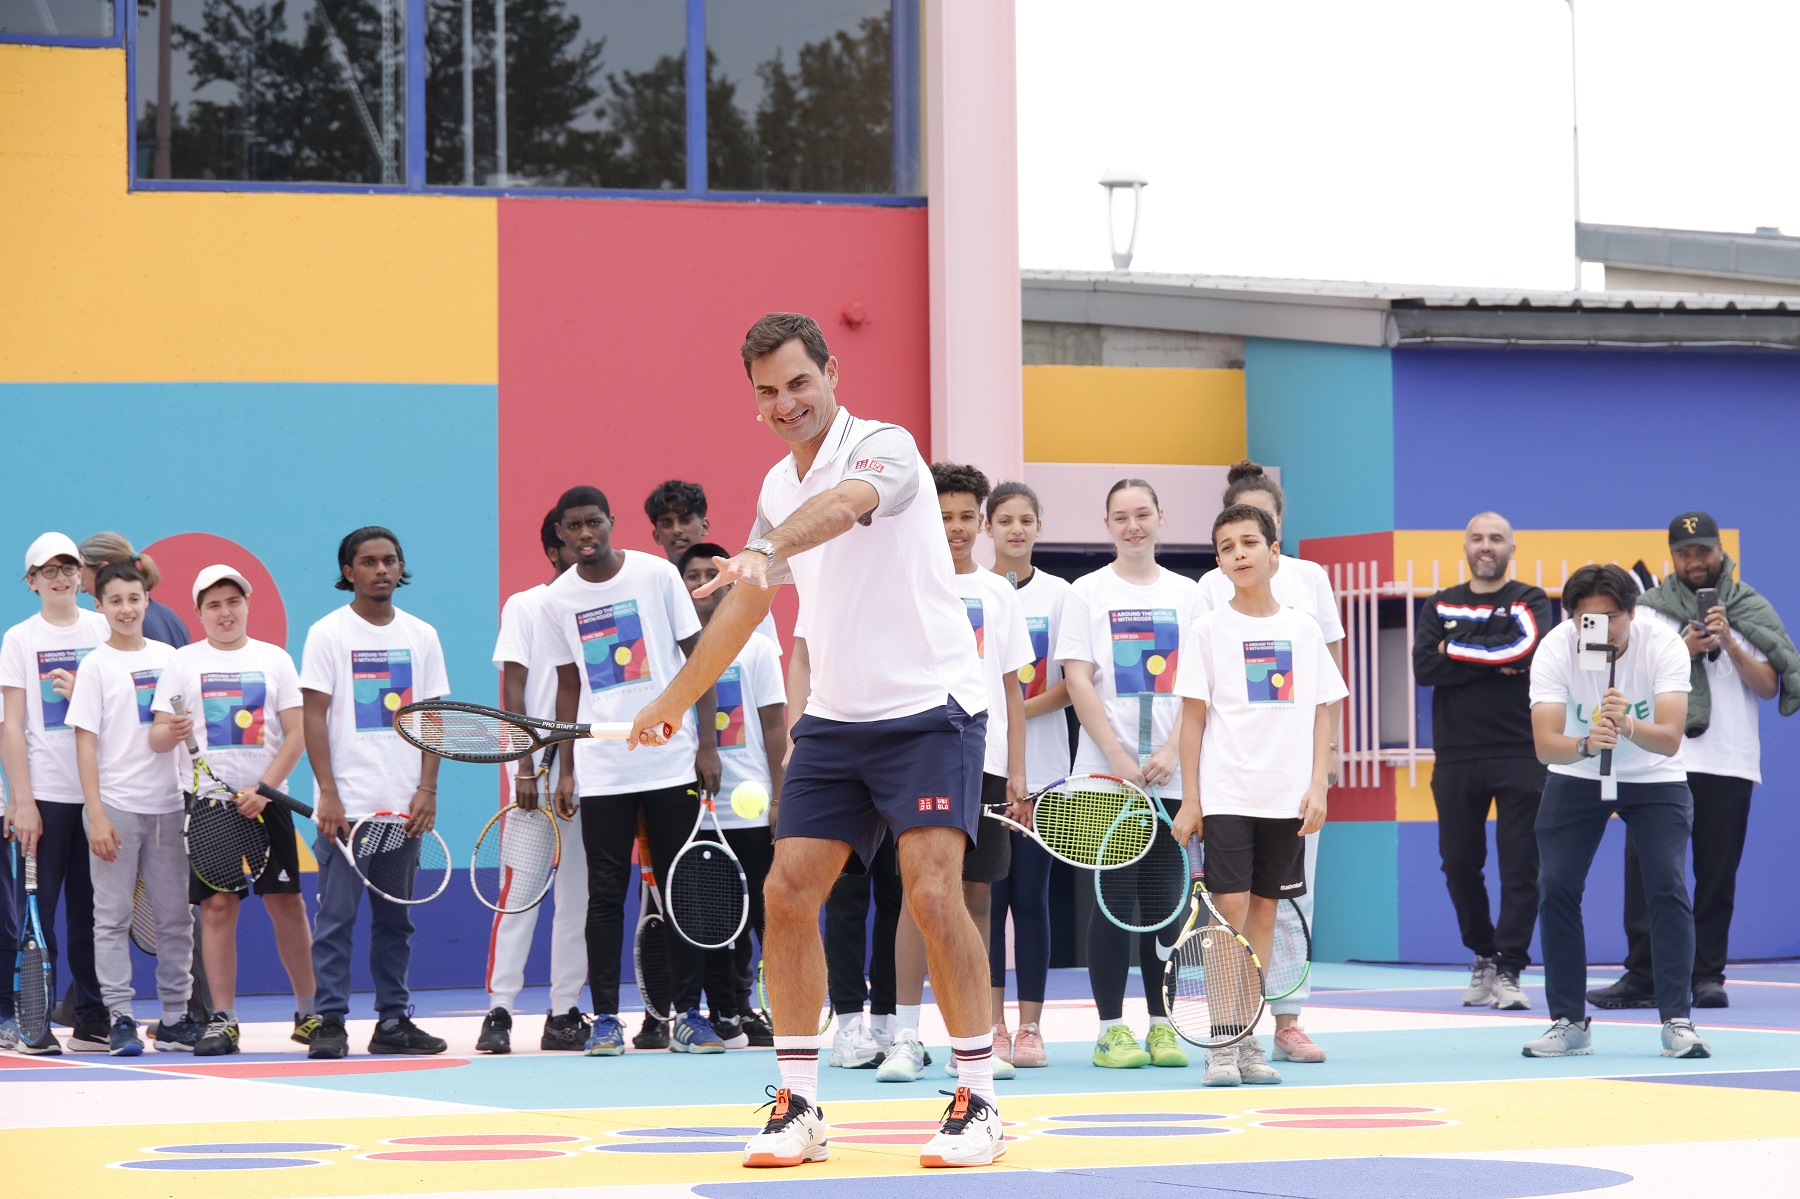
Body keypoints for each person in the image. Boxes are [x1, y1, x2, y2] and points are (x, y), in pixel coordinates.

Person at [626, 312, 1003, 1169]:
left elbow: (841, 508)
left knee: (932, 892)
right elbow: (745, 607)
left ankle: (978, 1098)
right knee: (788, 891)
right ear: (754, 400)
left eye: (799, 382)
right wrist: (674, 698)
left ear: (831, 372)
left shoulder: (885, 448)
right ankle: (797, 1105)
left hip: (931, 707)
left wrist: (766, 544)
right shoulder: (774, 484)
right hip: (835, 716)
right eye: (768, 391)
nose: (786, 402)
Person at [540, 486, 724, 1056]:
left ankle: (688, 1016)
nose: (585, 534)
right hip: (603, 772)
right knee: (604, 895)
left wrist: (708, 746)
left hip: (671, 763)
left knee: (680, 889)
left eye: (594, 522)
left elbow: (701, 661)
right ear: (561, 534)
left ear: (611, 522)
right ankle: (604, 1020)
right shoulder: (557, 600)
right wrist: (566, 769)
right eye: (574, 526)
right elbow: (569, 687)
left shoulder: (656, 575)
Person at [1592, 512, 1799, 1011]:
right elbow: (1628, 682)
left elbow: (1769, 686)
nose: (1695, 561)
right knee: (1647, 871)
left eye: (1703, 551)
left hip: (1729, 761)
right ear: (1672, 557)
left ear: (1720, 550)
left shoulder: (1749, 607)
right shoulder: (1649, 612)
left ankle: (1707, 976)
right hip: (1659, 758)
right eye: (1684, 553)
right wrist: (1682, 650)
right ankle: (1643, 975)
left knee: (1715, 875)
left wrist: (1729, 642)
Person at [1174, 504, 1344, 1087]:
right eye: (1227, 547)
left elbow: (1321, 713)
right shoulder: (1207, 629)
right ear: (1218, 563)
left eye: (1249, 542)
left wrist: (1317, 785)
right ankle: (1221, 1043)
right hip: (1227, 794)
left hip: (1286, 799)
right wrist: (1191, 799)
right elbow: (1193, 720)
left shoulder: (1303, 629)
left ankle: (1247, 1038)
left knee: (1266, 914)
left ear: (1274, 553)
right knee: (1230, 912)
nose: (1239, 554)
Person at [875, 464, 1027, 1086]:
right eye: (943, 517)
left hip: (985, 762)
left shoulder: (1000, 594)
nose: (956, 528)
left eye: (966, 516)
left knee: (978, 897)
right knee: (921, 894)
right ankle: (905, 1037)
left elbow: (1012, 690)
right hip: (920, 761)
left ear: (982, 523)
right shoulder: (903, 586)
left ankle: (980, 1037)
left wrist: (1017, 771)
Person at [1522, 564, 1710, 1060]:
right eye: (1586, 619)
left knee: (1667, 885)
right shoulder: (1555, 648)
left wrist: (1626, 725)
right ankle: (1569, 1021)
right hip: (1578, 774)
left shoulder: (1663, 645)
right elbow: (1545, 744)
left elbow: (1669, 739)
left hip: (1654, 776)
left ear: (1632, 612)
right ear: (1571, 619)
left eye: (1611, 618)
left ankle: (1677, 1020)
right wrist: (1586, 743)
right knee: (1556, 885)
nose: (1600, 630)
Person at [1057, 479, 1203, 1073]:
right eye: (1121, 516)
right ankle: (1110, 1031)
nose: (1133, 525)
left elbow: (1200, 687)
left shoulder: (1190, 595)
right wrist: (1116, 757)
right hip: (1104, 776)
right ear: (1107, 525)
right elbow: (1077, 678)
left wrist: (1171, 750)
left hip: (1171, 776)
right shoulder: (1086, 593)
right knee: (1113, 901)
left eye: (1142, 514)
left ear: (1161, 517)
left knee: (1165, 905)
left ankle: (1162, 1026)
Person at [300, 527, 451, 1060]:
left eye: (390, 560)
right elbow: (313, 717)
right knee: (335, 920)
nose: (381, 569)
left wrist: (427, 788)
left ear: (400, 567)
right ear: (349, 572)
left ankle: (392, 1021)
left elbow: (433, 717)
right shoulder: (327, 634)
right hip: (347, 811)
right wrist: (328, 793)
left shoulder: (422, 635)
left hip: (403, 810)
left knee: (395, 922)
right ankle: (330, 1023)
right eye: (368, 562)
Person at [150, 565, 313, 1056]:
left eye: (233, 602)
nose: (225, 613)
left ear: (247, 604)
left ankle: (311, 1012)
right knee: (218, 909)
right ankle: (224, 1019)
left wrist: (265, 788)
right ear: (199, 612)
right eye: (214, 605)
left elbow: (298, 734)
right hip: (209, 805)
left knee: (287, 903)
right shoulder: (182, 662)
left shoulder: (275, 659)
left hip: (268, 801)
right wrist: (170, 731)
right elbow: (157, 738)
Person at [1411, 513, 1551, 1013]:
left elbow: (1526, 648)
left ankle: (1510, 968)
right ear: (1465, 547)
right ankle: (1484, 954)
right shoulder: (1440, 602)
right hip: (1456, 756)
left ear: (1512, 547)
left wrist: (1453, 649)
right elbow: (1424, 666)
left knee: (1521, 867)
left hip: (1520, 752)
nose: (1485, 546)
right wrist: (1495, 659)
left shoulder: (1530, 599)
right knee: (1458, 864)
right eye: (1477, 538)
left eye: (1495, 538)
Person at [477, 511, 592, 1055]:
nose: (585, 545)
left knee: (577, 899)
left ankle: (563, 1012)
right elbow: (514, 689)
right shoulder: (525, 605)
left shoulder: (598, 609)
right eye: (572, 539)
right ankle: (498, 1011)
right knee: (521, 893)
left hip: (590, 774)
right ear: (553, 550)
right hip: (533, 774)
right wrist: (524, 766)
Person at [0, 533, 117, 1054]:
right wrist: (22, 800)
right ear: (31, 581)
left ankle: (92, 1020)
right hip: (44, 799)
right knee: (38, 916)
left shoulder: (103, 628)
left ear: (80, 574)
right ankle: (34, 1022)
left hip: (99, 799)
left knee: (93, 914)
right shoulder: (19, 639)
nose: (60, 577)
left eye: (68, 568)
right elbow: (11, 725)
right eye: (48, 570)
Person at [69, 563, 188, 1056]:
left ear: (147, 601)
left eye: (134, 599)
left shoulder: (170, 658)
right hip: (115, 808)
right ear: (99, 605)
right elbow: (84, 743)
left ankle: (176, 1018)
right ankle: (120, 1018)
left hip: (170, 807)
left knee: (175, 918)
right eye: (115, 600)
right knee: (112, 919)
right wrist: (96, 813)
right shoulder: (95, 666)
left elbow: (182, 724)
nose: (126, 609)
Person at [680, 542, 786, 1050]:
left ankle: (769, 1007)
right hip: (697, 810)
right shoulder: (673, 652)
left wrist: (780, 800)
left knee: (764, 917)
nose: (703, 582)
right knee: (714, 921)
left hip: (752, 807)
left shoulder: (759, 649)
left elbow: (775, 728)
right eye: (692, 575)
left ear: (731, 583)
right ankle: (724, 1010)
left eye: (712, 573)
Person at [984, 481, 1071, 1070]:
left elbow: (1069, 684)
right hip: (985, 769)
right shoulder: (972, 590)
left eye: (1026, 520)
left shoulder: (1061, 595)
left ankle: (1031, 1028)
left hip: (1044, 772)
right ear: (988, 527)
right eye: (1005, 520)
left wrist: (1012, 709)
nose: (1016, 529)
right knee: (988, 901)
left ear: (1040, 525)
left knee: (1032, 900)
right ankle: (990, 1026)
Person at [647, 479, 782, 648]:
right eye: (667, 524)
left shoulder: (743, 586)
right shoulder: (653, 593)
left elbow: (766, 653)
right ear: (657, 535)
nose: (677, 530)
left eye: (685, 520)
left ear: (704, 526)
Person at [79, 533, 190, 649]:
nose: (82, 589)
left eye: (83, 577)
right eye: (116, 601)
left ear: (103, 569)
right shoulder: (169, 617)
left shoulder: (128, 625)